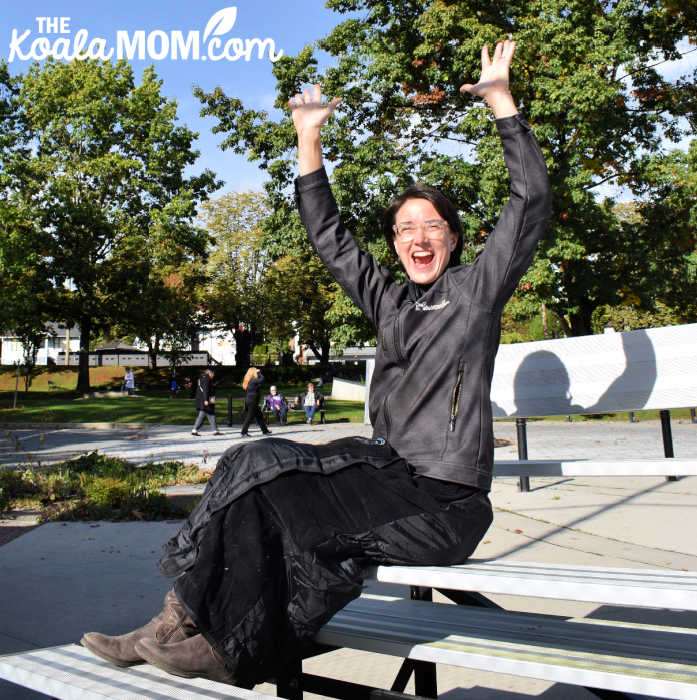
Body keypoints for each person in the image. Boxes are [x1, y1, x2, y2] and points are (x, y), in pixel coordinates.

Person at [81, 41, 551, 688]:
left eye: (432, 226)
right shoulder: (389, 303)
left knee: (274, 489)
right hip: (384, 477)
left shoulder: (476, 293)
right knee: (254, 472)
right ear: (394, 244)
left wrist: (501, 101)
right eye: (404, 228)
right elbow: (329, 237)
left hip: (443, 500)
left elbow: (529, 202)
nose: (417, 237)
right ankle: (179, 627)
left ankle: (216, 641)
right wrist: (308, 138)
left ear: (454, 238)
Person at [240, 367, 271, 437]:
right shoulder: (253, 380)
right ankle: (243, 432)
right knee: (249, 417)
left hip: (250, 401)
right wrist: (259, 373)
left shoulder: (248, 380)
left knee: (259, 416)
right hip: (252, 401)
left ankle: (265, 430)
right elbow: (262, 379)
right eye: (255, 371)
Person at [191, 368, 221, 436]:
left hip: (206, 399)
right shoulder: (207, 379)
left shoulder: (203, 378)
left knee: (208, 414)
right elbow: (206, 390)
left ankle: (215, 430)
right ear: (210, 373)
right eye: (213, 374)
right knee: (208, 414)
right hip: (207, 400)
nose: (213, 375)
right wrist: (206, 400)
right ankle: (195, 430)